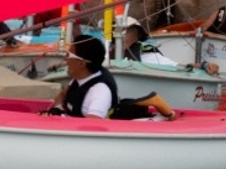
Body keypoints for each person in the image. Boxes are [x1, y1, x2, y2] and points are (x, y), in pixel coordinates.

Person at [44, 35, 177, 120]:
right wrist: (58, 109)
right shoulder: (80, 78)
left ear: (81, 63)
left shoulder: (100, 91)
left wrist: (61, 118)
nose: (65, 59)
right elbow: (62, 95)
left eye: (68, 55)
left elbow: (91, 127)